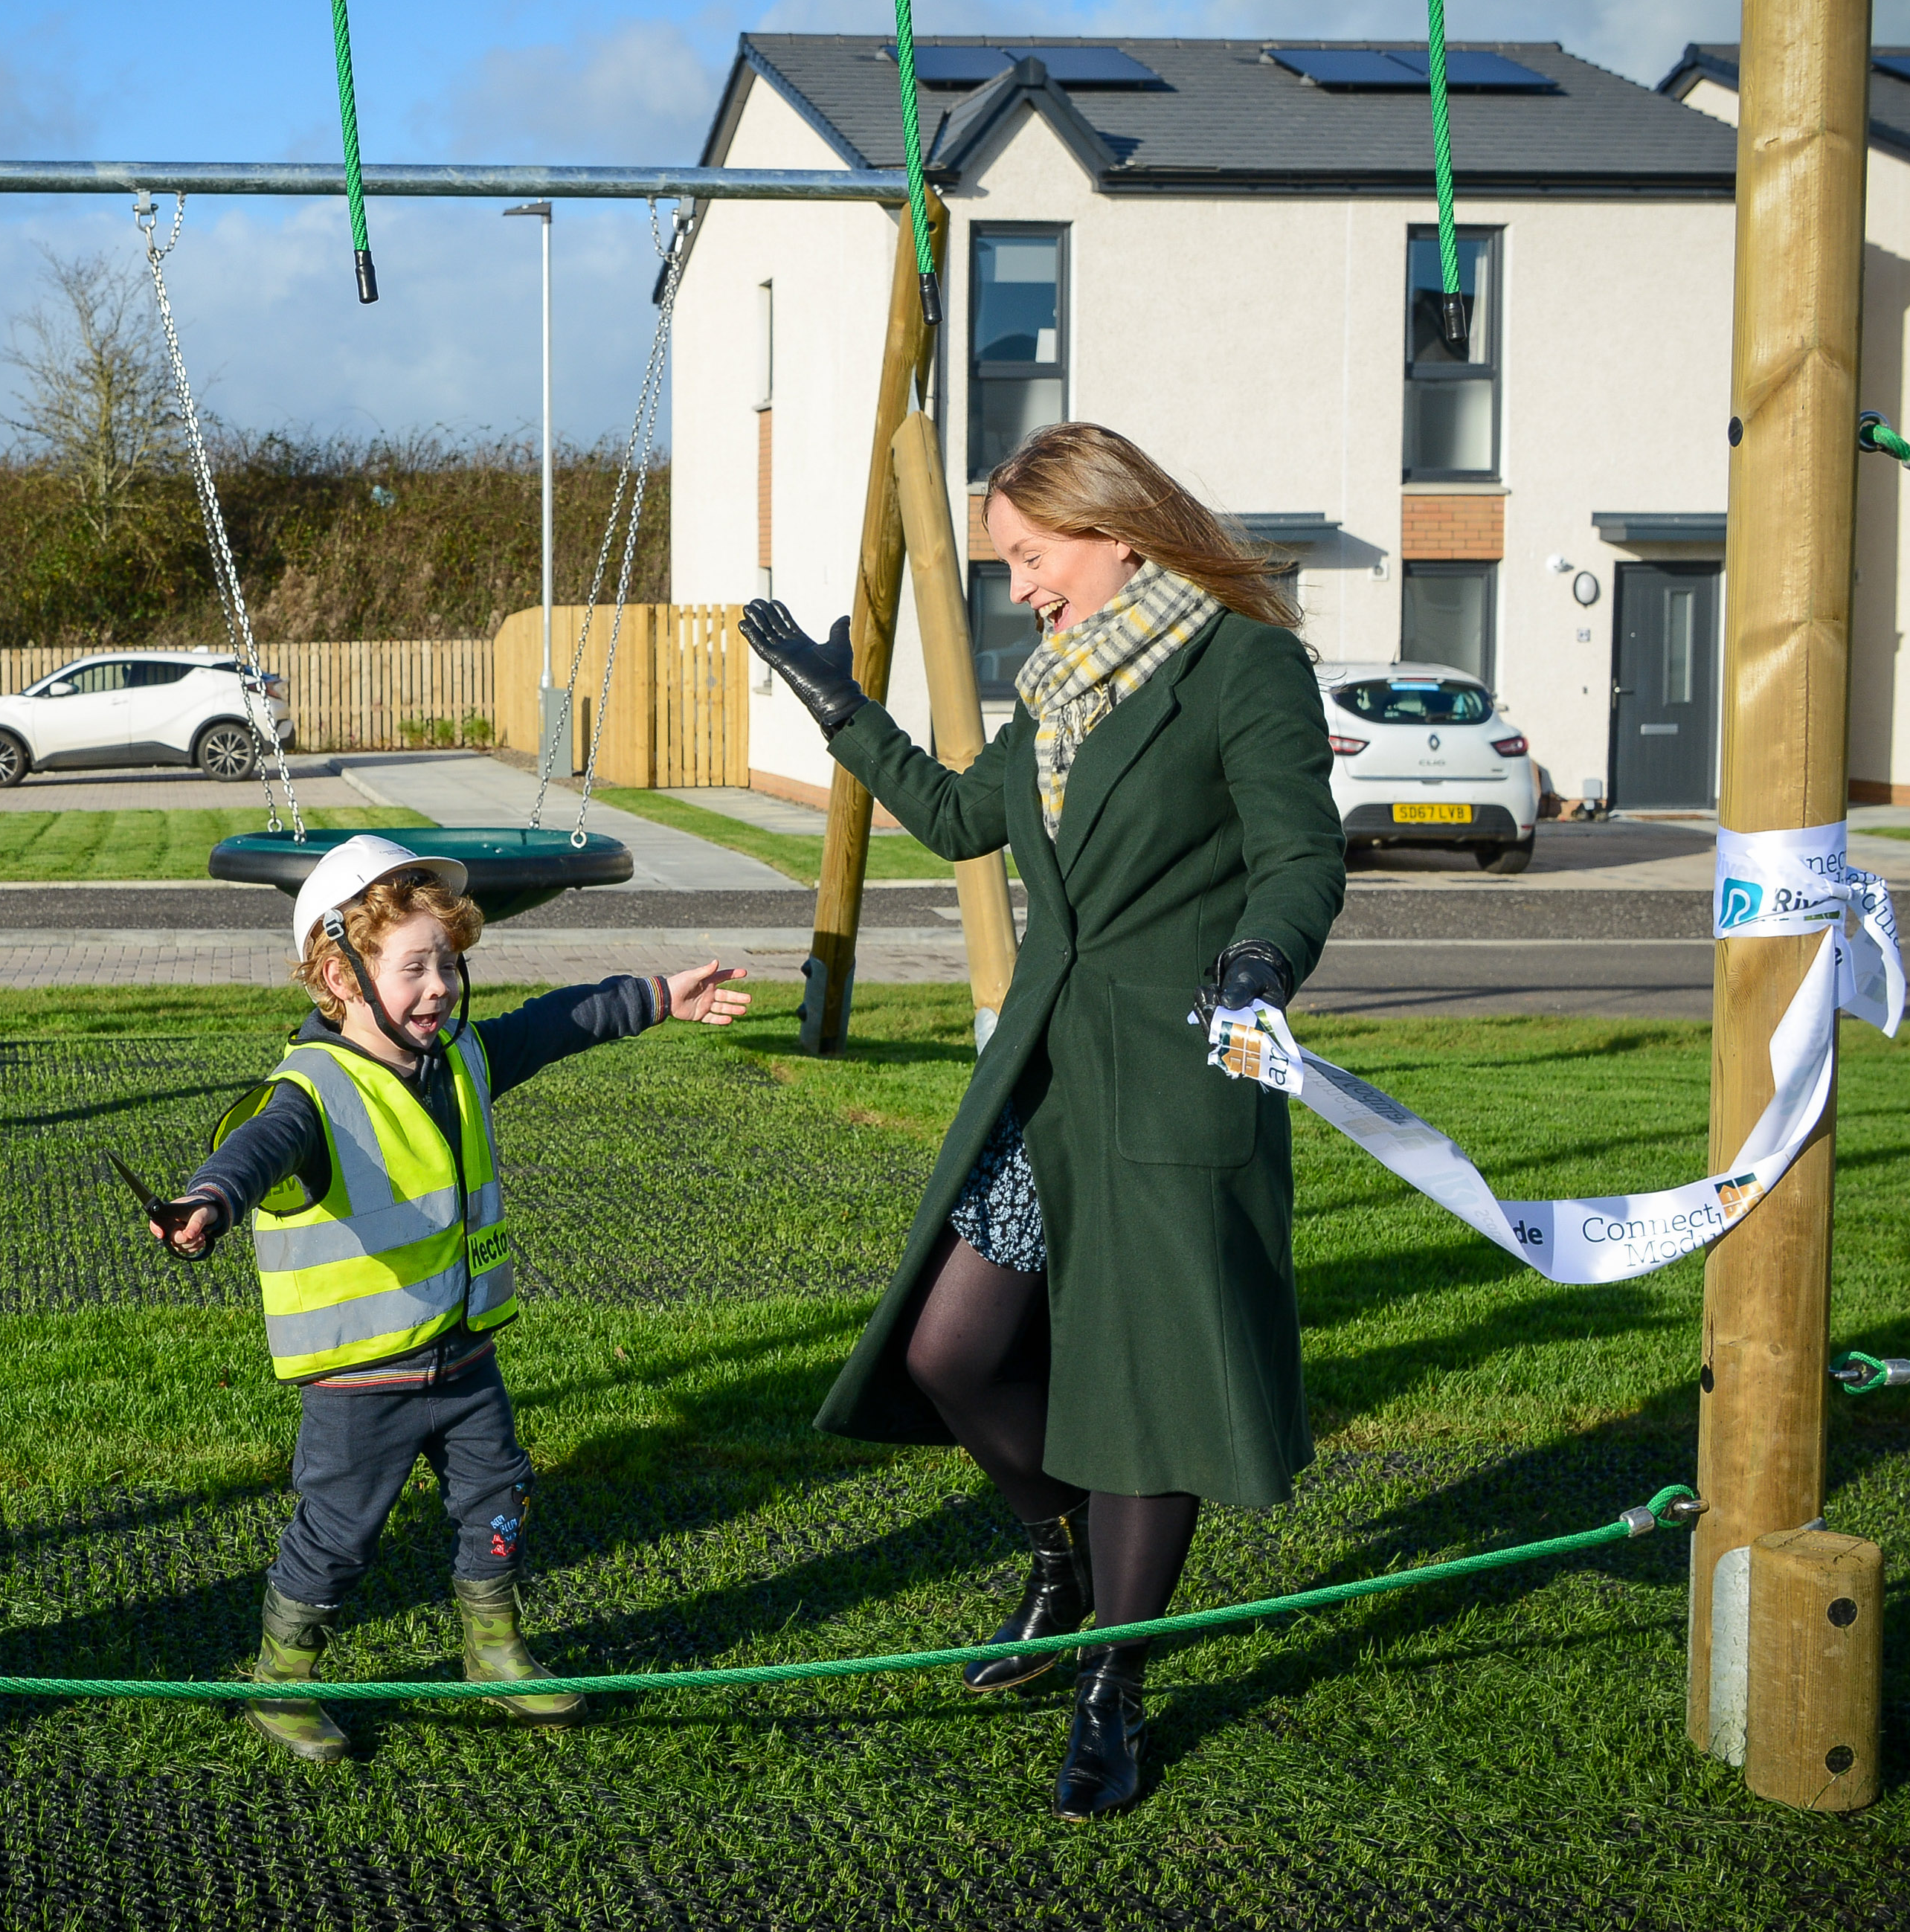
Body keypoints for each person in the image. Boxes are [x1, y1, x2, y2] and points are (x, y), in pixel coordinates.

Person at [739, 421, 1345, 1822]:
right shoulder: (1064, 690)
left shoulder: (1240, 664)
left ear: (1114, 528)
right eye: (1003, 564)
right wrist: (844, 707)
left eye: (1029, 556)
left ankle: (1111, 1692)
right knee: (955, 1351)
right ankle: (1059, 1553)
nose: (1018, 589)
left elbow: (1297, 853)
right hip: (1046, 1079)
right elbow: (960, 817)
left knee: (1149, 1402)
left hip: (1177, 1073)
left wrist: (1264, 958)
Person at [149, 835, 750, 1762]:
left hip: (465, 1359)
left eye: (449, 964)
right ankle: (282, 1677)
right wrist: (209, 1201)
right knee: (340, 1533)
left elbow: (558, 1023)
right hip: (362, 1379)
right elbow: (256, 1151)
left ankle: (494, 1646)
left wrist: (660, 998)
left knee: (499, 1494)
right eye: (414, 968)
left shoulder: (462, 1057)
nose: (439, 987)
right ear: (339, 976)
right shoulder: (310, 1091)